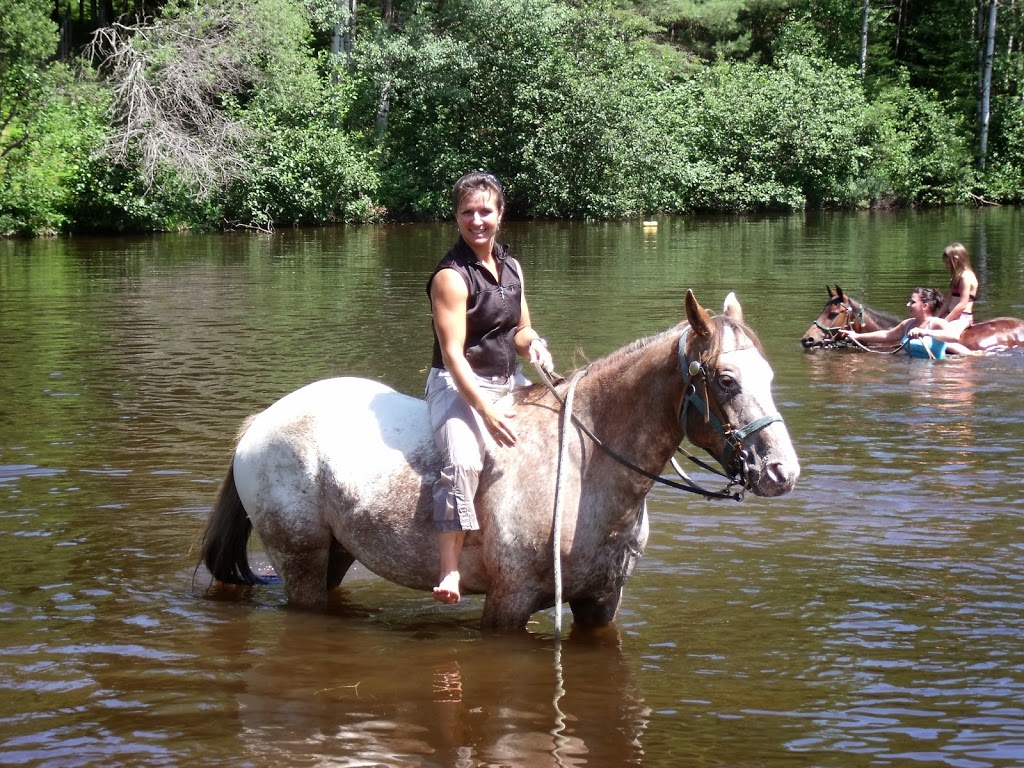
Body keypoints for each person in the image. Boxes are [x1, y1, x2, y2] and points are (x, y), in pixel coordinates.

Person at [425, 172, 554, 604]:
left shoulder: (512, 266)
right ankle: (450, 569)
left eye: (485, 211)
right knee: (462, 461)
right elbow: (453, 355)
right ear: (456, 217)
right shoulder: (451, 277)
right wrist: (486, 410)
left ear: (500, 215)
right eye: (467, 212)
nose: (476, 220)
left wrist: (533, 344)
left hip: (507, 380)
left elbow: (520, 330)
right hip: (457, 384)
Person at [839, 287, 972, 358]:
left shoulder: (936, 323)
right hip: (911, 375)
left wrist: (925, 332)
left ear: (924, 306)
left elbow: (954, 337)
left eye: (913, 302)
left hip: (935, 376)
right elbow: (886, 335)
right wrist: (857, 336)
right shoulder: (908, 324)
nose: (908, 304)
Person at [936, 242, 979, 338]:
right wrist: (936, 319)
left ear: (956, 259)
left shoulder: (966, 277)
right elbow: (947, 302)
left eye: (948, 262)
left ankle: (974, 354)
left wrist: (945, 321)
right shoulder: (956, 277)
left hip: (962, 318)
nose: (947, 266)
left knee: (945, 339)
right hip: (953, 317)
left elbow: (962, 304)